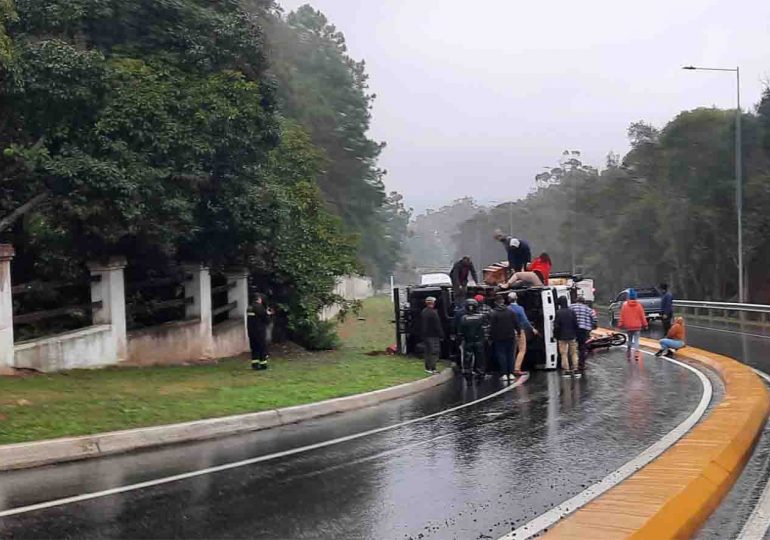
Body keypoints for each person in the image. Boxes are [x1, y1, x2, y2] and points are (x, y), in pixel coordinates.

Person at [489, 295, 521, 382]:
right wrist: (519, 332)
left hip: (499, 337)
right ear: (503, 301)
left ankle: (504, 374)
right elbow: (516, 323)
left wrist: (491, 337)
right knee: (510, 355)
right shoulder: (510, 311)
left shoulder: (494, 313)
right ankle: (511, 373)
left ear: (496, 302)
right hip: (510, 336)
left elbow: (492, 327)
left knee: (501, 355)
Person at [508, 292, 540, 376]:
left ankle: (510, 368)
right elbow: (525, 321)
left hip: (510, 332)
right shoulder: (520, 308)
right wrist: (532, 329)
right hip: (519, 331)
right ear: (516, 298)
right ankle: (517, 369)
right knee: (522, 350)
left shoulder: (507, 309)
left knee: (512, 351)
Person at [459, 298, 485, 381]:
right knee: (479, 357)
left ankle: (467, 371)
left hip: (468, 341)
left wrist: (460, 338)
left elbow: (460, 331)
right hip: (479, 341)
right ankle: (480, 372)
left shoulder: (464, 318)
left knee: (467, 357)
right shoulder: (481, 317)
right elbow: (485, 328)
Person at [619, 288, 648, 361]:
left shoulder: (625, 305)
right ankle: (636, 353)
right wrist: (645, 324)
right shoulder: (639, 305)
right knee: (636, 340)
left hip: (628, 326)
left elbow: (622, 316)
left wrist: (621, 324)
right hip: (637, 326)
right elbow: (642, 316)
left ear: (629, 297)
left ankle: (628, 351)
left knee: (629, 340)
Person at [554, 296, 580, 377]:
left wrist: (555, 335)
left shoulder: (558, 312)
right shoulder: (572, 312)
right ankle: (575, 369)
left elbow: (556, 326)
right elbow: (576, 324)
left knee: (564, 353)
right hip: (572, 336)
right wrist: (576, 334)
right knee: (574, 353)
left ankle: (566, 370)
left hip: (562, 336)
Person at [570, 296, 596, 371]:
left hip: (573, 329)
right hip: (584, 330)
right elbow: (594, 319)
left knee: (572, 347)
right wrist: (593, 326)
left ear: (576, 301)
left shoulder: (571, 306)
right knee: (582, 347)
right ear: (584, 302)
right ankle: (581, 365)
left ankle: (573, 364)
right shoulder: (588, 309)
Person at [247, 296, 272, 370]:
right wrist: (268, 314)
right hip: (259, 331)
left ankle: (255, 364)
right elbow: (266, 319)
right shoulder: (259, 307)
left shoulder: (249, 307)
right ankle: (263, 364)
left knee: (254, 347)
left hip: (251, 331)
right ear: (259, 299)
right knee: (262, 347)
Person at [420, 296, 443, 374]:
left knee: (427, 351)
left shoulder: (423, 311)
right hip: (433, 335)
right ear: (433, 303)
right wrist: (441, 334)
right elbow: (437, 325)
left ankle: (427, 368)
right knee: (434, 351)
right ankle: (433, 368)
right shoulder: (434, 313)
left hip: (425, 335)